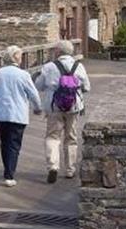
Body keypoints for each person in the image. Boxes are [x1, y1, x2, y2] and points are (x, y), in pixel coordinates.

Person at [0, 46, 43, 187]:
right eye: (20, 56)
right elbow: (33, 94)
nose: (21, 58)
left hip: (0, 114)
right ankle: (9, 175)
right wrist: (38, 108)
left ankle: (7, 169)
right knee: (14, 144)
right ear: (16, 58)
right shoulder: (23, 75)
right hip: (18, 114)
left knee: (4, 142)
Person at [35, 39, 91, 183]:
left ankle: (53, 166)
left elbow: (39, 85)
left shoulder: (49, 67)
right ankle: (70, 169)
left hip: (54, 106)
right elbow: (87, 87)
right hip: (74, 106)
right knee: (71, 137)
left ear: (58, 51)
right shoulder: (78, 66)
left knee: (53, 136)